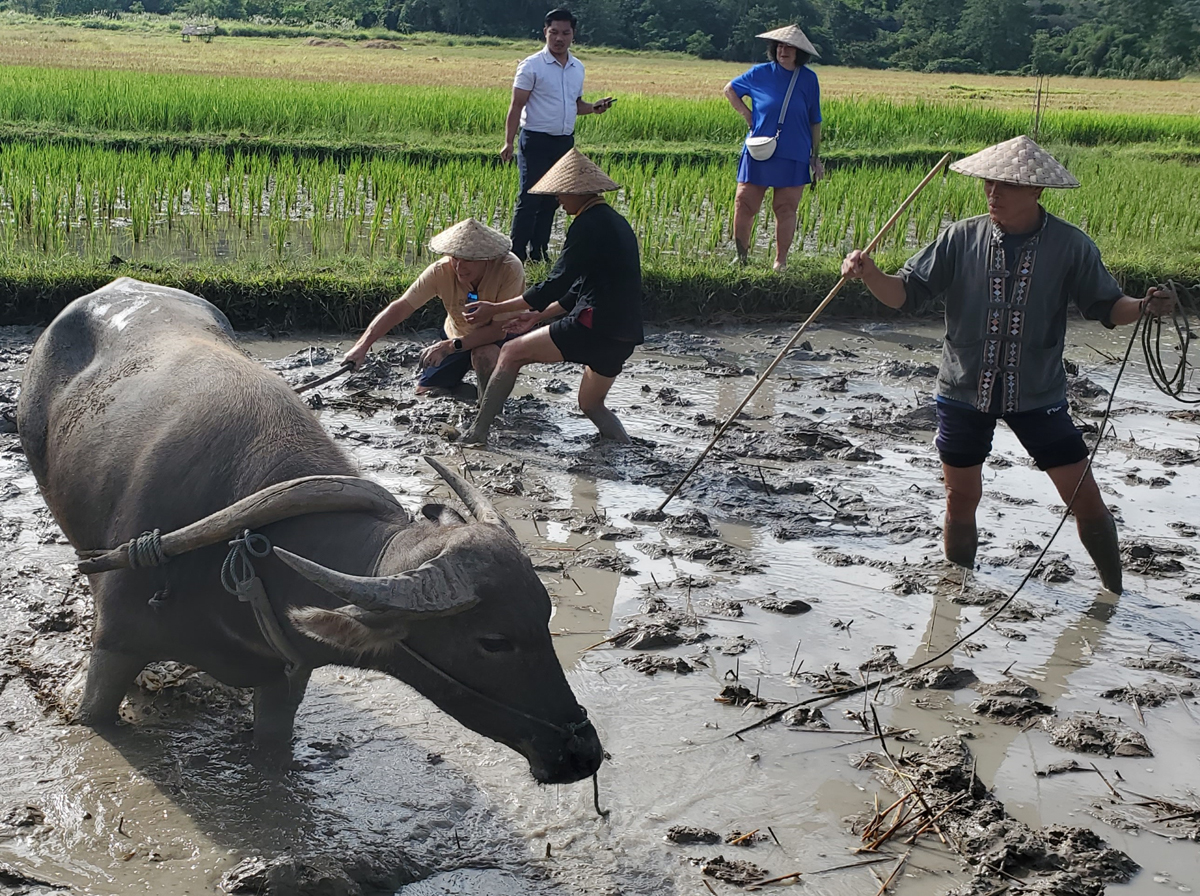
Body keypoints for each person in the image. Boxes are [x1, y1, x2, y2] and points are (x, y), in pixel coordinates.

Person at [841, 135, 1176, 594]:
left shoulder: (1070, 246)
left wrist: (1144, 306)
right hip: (962, 389)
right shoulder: (962, 237)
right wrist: (871, 274)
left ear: (1037, 192)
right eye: (989, 183)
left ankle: (1113, 595)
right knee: (961, 501)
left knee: (1084, 497)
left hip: (1037, 392)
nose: (993, 193)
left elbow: (1108, 305)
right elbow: (905, 294)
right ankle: (957, 592)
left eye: (1007, 185)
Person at [458, 149, 642, 446]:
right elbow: (579, 290)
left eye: (561, 193)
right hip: (624, 336)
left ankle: (477, 433)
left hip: (596, 328)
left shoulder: (587, 224)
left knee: (510, 353)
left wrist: (496, 307)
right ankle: (627, 449)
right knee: (591, 405)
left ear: (577, 191)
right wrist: (539, 316)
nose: (557, 199)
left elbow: (554, 285)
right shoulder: (615, 223)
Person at [343, 218, 524, 398]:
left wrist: (450, 347)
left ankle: (489, 406)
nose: (459, 267)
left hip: (500, 337)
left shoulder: (509, 269)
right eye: (455, 258)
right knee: (427, 392)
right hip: (458, 333)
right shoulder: (441, 270)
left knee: (485, 355)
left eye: (468, 260)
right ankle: (468, 394)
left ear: (487, 259)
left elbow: (497, 331)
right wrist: (362, 346)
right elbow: (401, 306)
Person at [501, 7, 614, 263]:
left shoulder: (577, 68)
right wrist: (508, 141)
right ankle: (515, 256)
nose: (559, 38)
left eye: (565, 33)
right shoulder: (531, 66)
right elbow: (516, 105)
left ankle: (539, 253)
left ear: (573, 34)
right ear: (545, 33)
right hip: (535, 139)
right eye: (554, 32)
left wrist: (594, 108)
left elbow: (576, 105)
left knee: (554, 199)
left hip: (564, 142)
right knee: (529, 198)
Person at [724, 24, 824, 272]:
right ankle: (741, 257)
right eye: (780, 45)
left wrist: (815, 156)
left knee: (786, 207)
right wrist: (748, 116)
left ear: (800, 53)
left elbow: (815, 120)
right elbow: (730, 90)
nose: (784, 50)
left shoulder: (808, 79)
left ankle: (780, 262)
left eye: (790, 47)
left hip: (794, 152)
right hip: (759, 149)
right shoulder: (759, 73)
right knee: (743, 202)